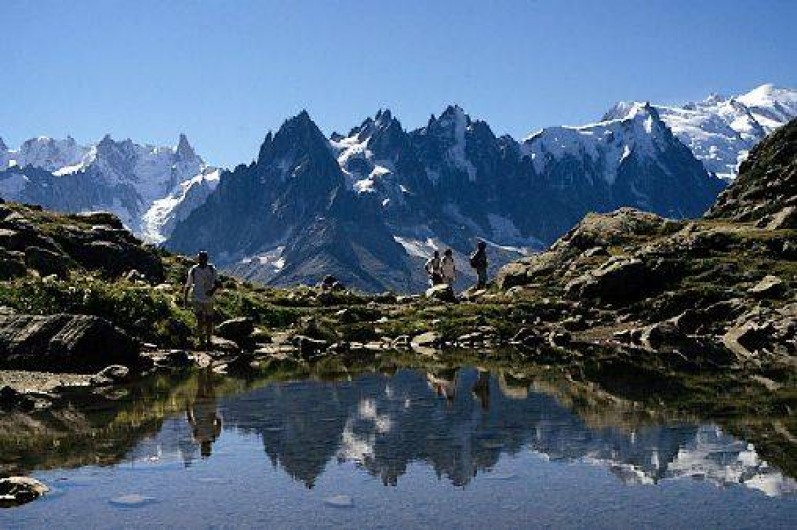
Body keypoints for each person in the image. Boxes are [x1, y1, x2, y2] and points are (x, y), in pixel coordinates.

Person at [182, 250, 221, 350]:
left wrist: (212, 291)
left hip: (209, 299)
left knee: (209, 320)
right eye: (200, 259)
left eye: (202, 259)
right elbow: (188, 285)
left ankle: (208, 341)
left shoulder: (212, 269)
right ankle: (202, 342)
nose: (201, 261)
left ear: (206, 259)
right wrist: (185, 301)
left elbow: (218, 283)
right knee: (200, 320)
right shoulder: (193, 270)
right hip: (196, 297)